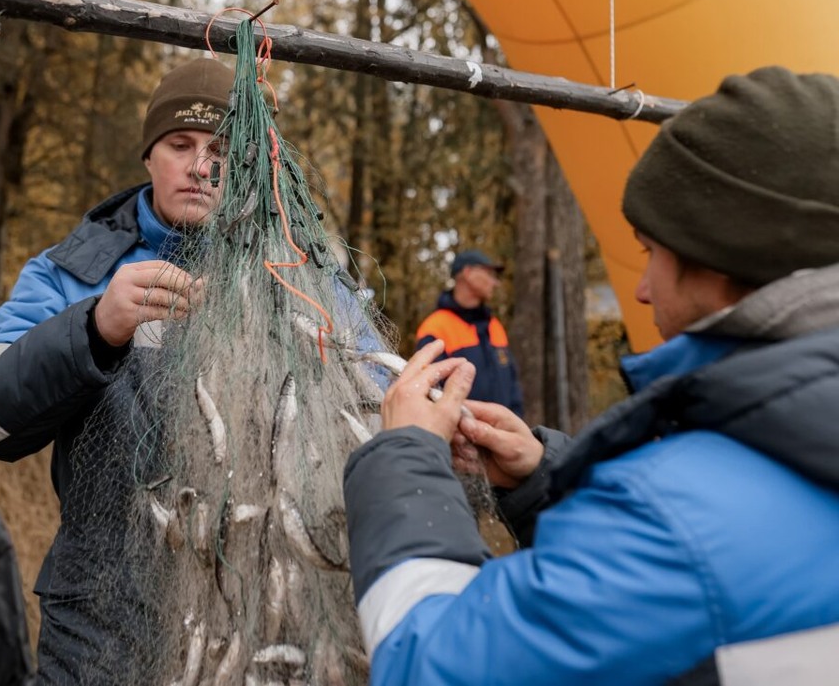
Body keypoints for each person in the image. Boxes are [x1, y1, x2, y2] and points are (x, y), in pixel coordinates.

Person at [344, 66, 839, 685]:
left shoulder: (670, 520)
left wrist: (404, 456)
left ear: (720, 257)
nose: (641, 287)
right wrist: (543, 478)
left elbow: (430, 664)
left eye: (651, 252)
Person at [0, 57, 233, 684]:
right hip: (100, 624)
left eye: (221, 151)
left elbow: (379, 398)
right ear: (149, 155)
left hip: (246, 614)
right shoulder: (72, 271)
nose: (200, 167)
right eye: (180, 144)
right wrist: (94, 328)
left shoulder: (293, 276)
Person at [413, 248, 523, 415]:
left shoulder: (495, 326)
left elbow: (512, 384)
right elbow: (430, 393)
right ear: (468, 273)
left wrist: (515, 422)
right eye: (489, 274)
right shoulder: (435, 328)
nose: (495, 283)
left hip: (502, 429)